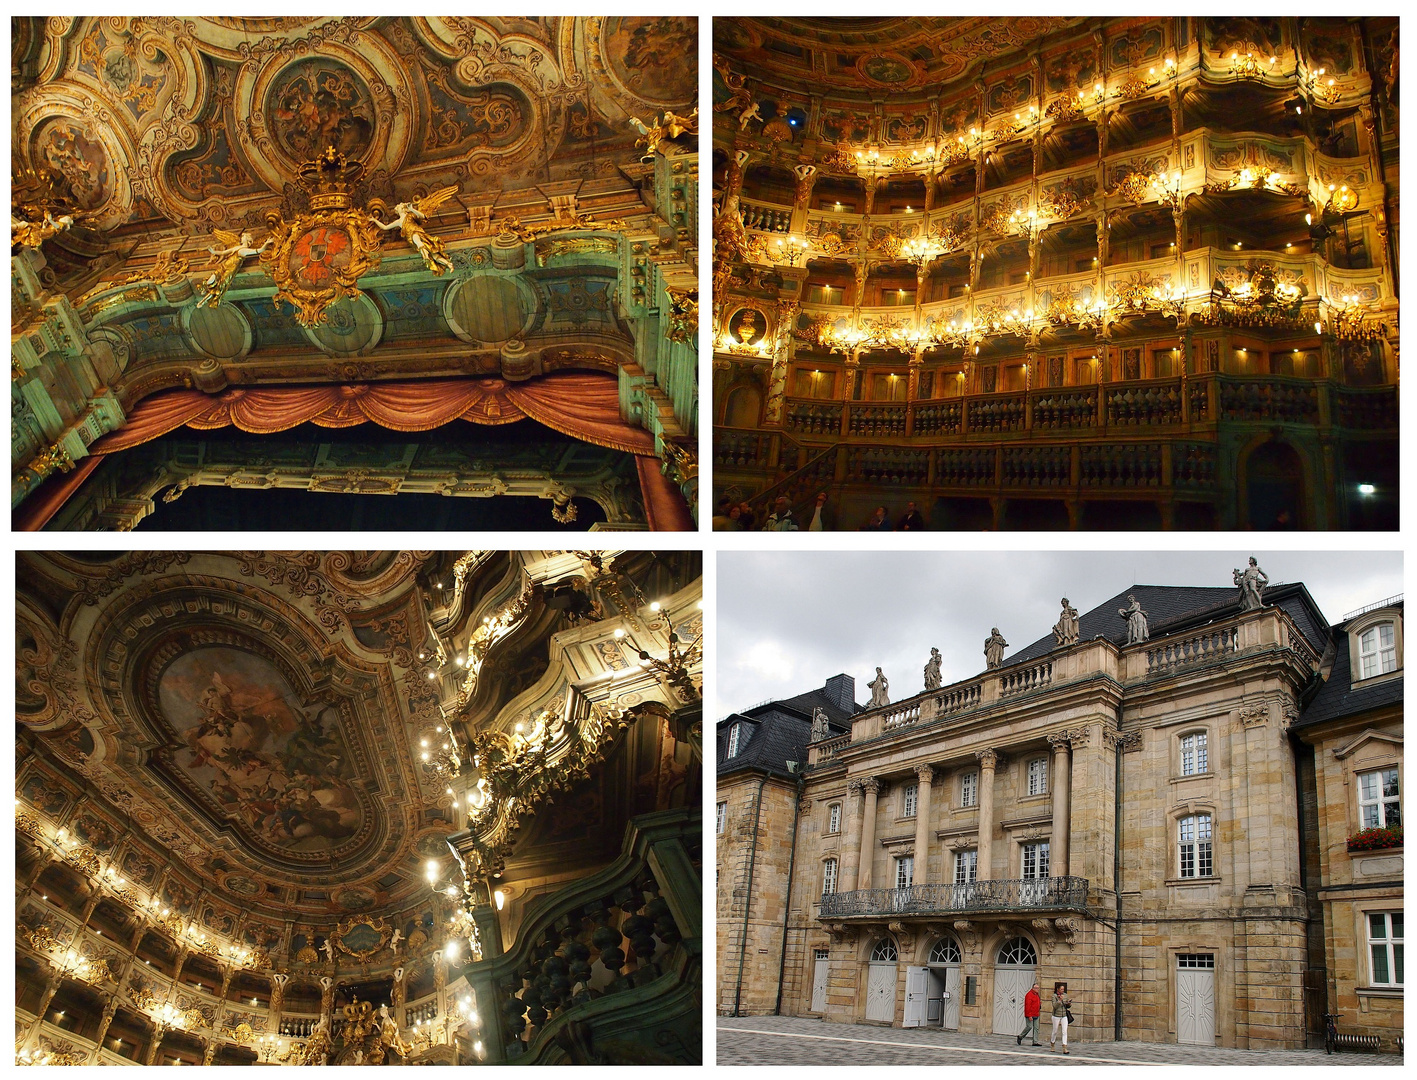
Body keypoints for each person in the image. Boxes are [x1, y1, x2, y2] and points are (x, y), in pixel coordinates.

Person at [1018, 981, 1042, 1046]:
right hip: (1030, 1014)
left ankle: (1035, 1041)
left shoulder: (1037, 995)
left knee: (1036, 1028)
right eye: (1036, 988)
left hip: (1036, 1014)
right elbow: (1028, 1006)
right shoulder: (1029, 995)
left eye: (1038, 988)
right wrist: (1029, 1015)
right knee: (1029, 1026)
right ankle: (1020, 1036)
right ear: (1033, 988)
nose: (1037, 989)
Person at [1050, 981, 1071, 1054]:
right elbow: (1054, 1006)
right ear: (1058, 989)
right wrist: (1059, 1000)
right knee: (1055, 1031)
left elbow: (1067, 1006)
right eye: (1061, 989)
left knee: (1064, 1031)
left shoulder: (1065, 995)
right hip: (1056, 1015)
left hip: (1064, 1015)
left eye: (1063, 989)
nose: (1063, 991)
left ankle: (1064, 1047)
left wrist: (1068, 1003)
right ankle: (1052, 1044)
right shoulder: (1054, 996)